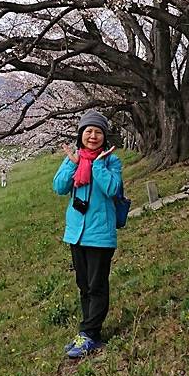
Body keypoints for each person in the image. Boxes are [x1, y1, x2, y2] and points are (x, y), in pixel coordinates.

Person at [53, 110, 123, 358]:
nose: (93, 136)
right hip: (76, 234)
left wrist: (97, 166)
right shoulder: (74, 158)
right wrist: (73, 164)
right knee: (83, 285)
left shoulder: (111, 161)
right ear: (81, 134)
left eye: (98, 132)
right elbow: (59, 187)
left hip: (100, 234)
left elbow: (113, 189)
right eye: (88, 131)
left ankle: (91, 333)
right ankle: (87, 332)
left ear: (104, 136)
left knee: (97, 285)